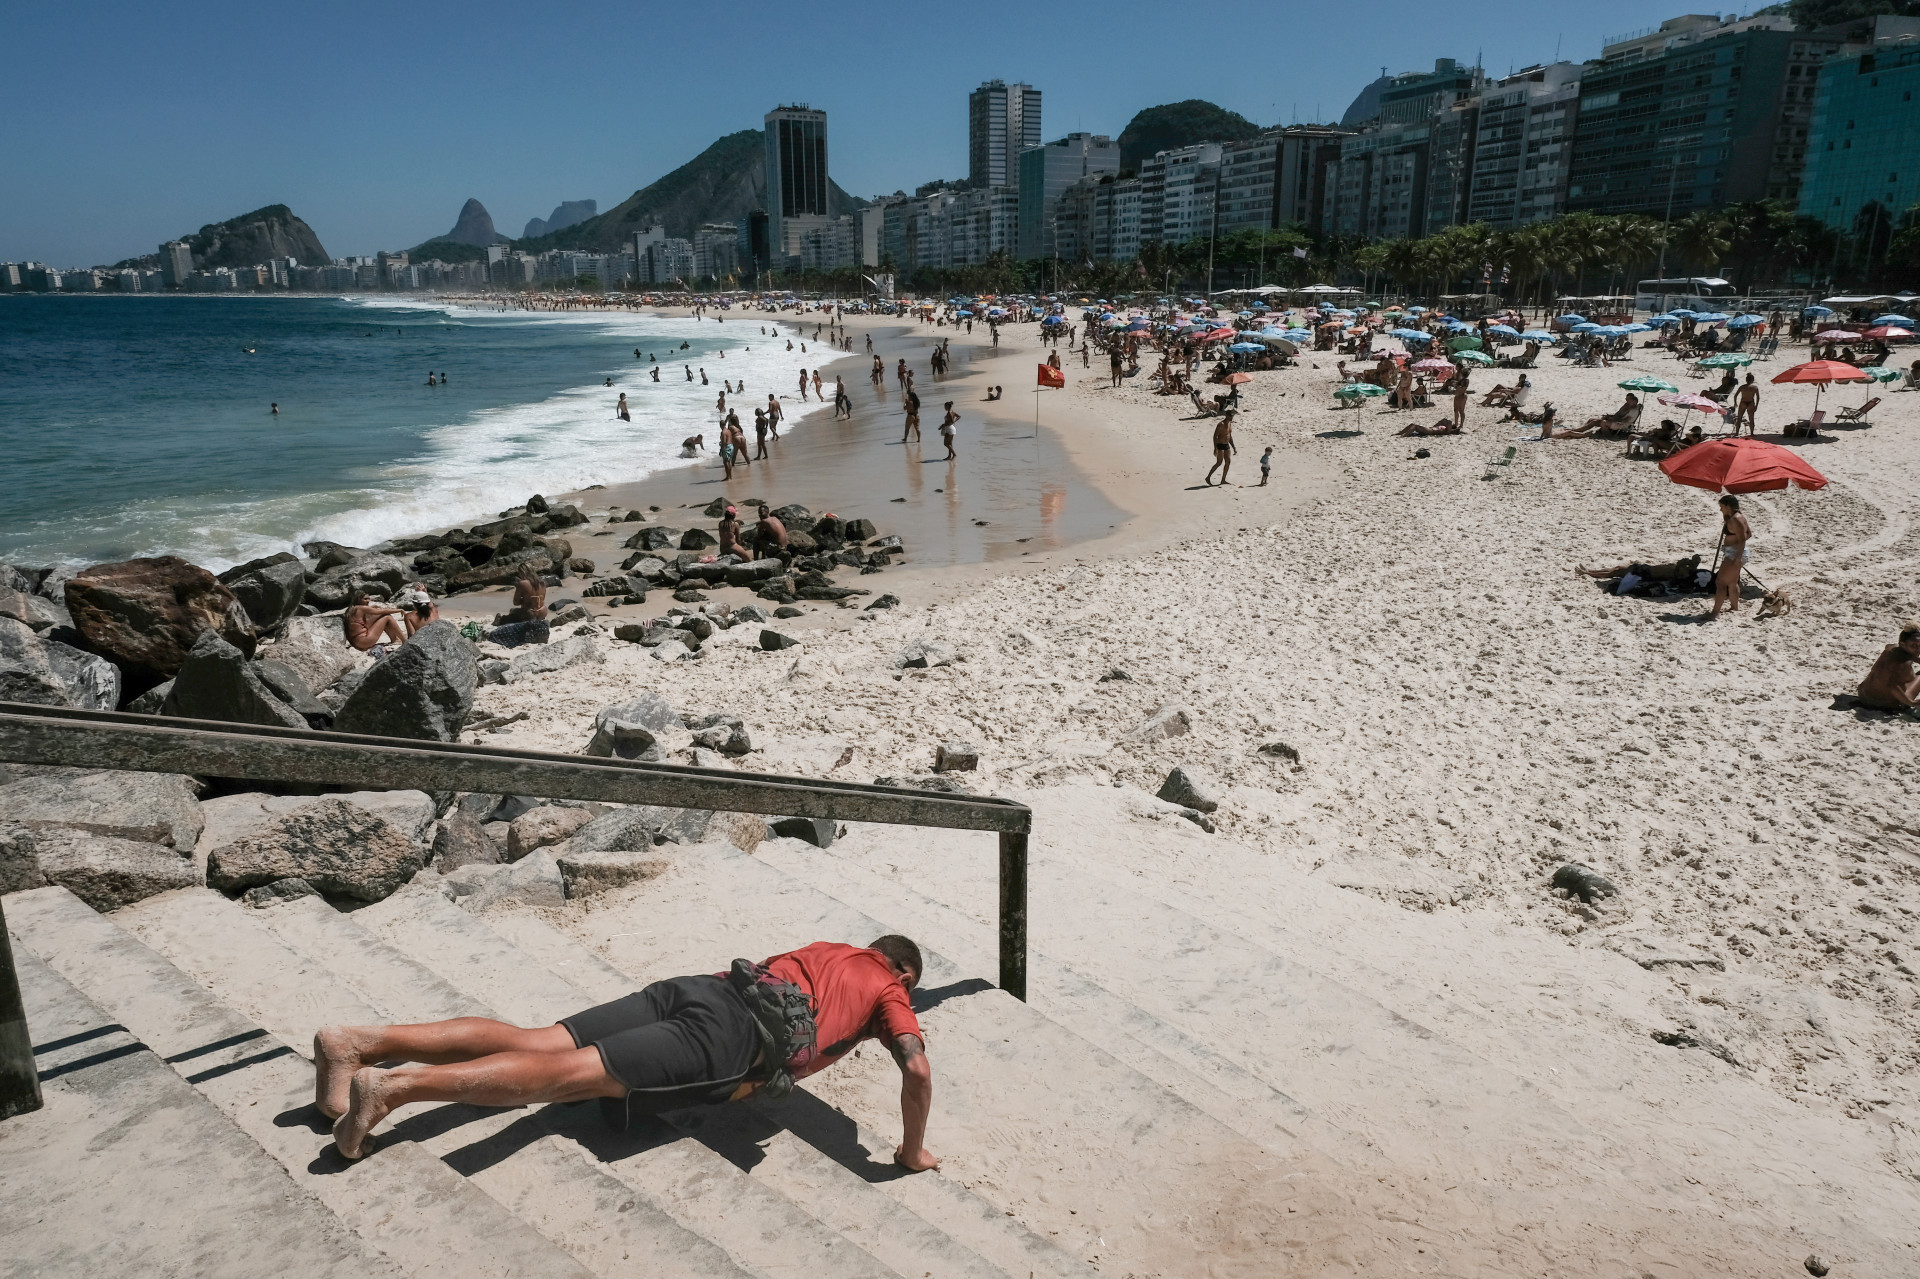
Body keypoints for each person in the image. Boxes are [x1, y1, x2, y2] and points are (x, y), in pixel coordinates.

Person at [317, 936, 939, 1173]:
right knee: (561, 1080)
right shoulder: (889, 989)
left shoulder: (830, 947)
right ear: (904, 975)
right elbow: (915, 1067)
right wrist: (911, 1151)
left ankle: (358, 1043)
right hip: (726, 1038)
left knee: (535, 1041)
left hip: (701, 986)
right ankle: (396, 1088)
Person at [1856, 625, 1920, 712]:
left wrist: (1916, 658)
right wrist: (1911, 703)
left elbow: (1899, 651)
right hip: (1884, 704)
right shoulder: (1903, 664)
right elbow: (1891, 685)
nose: (1918, 649)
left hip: (1863, 695)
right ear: (1902, 644)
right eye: (1914, 646)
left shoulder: (1892, 648)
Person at [1713, 494, 1751, 619]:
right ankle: (1734, 607)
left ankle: (1715, 613)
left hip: (1735, 553)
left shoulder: (1736, 519)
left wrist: (1737, 557)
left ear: (1728, 506)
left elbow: (1742, 539)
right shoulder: (1735, 517)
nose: (1720, 509)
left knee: (1721, 582)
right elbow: (1749, 534)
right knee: (1732, 582)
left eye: (1722, 507)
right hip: (1735, 552)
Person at [344, 591, 408, 652]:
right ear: (358, 599)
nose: (368, 601)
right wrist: (399, 610)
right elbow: (383, 611)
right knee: (387, 617)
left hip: (356, 643)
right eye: (365, 599)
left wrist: (372, 608)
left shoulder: (351, 610)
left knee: (382, 619)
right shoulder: (362, 608)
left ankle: (395, 640)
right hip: (364, 641)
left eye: (369, 599)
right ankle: (404, 640)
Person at [1205, 412, 1237, 485]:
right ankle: (1208, 477)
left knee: (1228, 462)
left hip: (1226, 445)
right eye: (1230, 416)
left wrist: (1234, 447)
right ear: (1226, 415)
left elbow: (1229, 436)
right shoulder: (1221, 424)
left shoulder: (1230, 424)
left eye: (1232, 416)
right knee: (1219, 462)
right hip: (1219, 445)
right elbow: (1215, 436)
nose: (1231, 417)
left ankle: (1223, 480)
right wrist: (1215, 448)